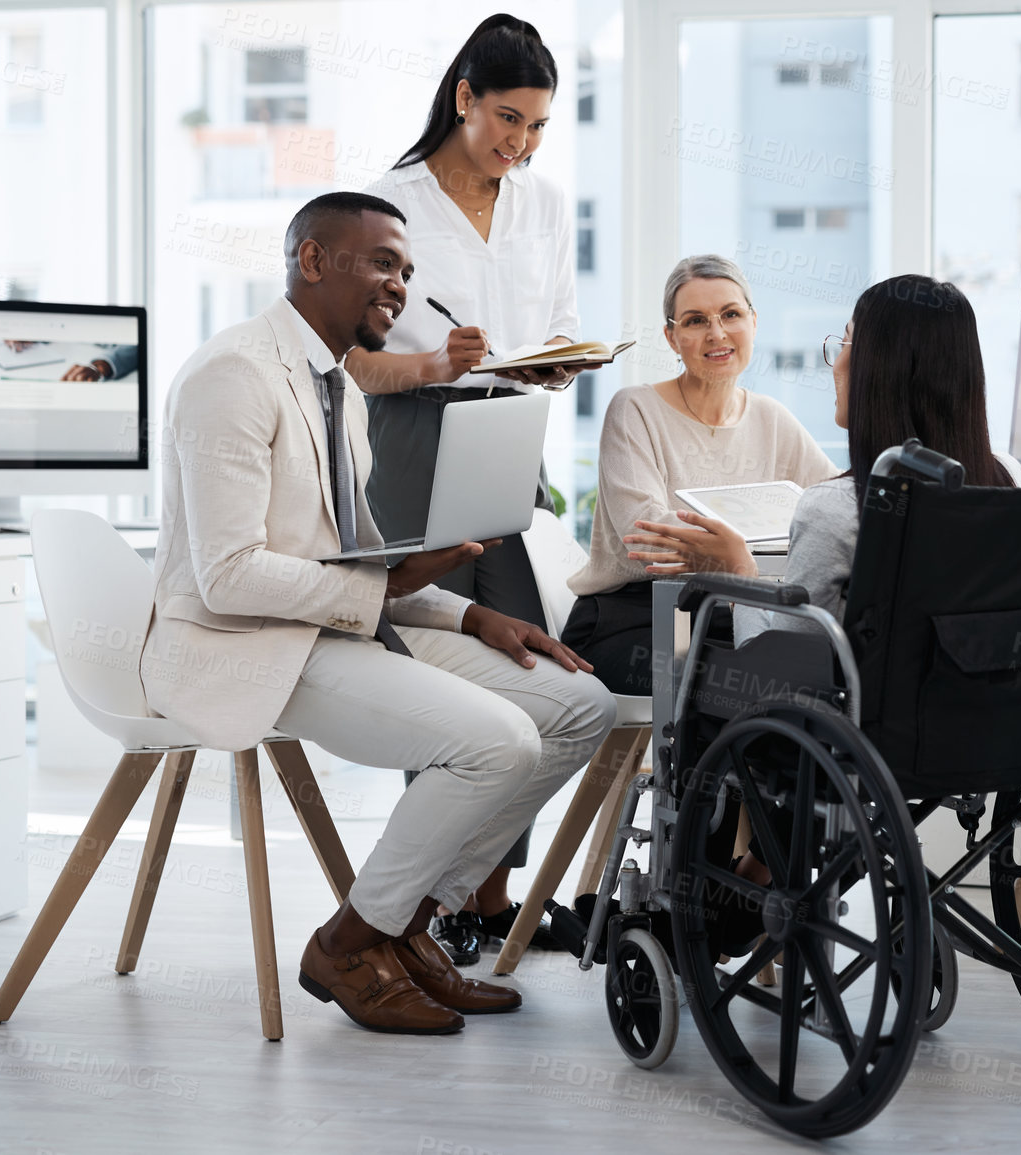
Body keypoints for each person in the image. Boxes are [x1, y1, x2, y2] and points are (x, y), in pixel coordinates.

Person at [140, 190, 616, 1035]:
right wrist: (388, 592)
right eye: (382, 264)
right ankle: (350, 942)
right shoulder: (234, 375)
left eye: (406, 269)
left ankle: (405, 924)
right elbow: (227, 576)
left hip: (329, 627)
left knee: (582, 705)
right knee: (495, 740)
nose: (398, 287)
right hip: (248, 643)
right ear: (312, 259)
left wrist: (471, 618)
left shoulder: (340, 389)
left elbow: (347, 557)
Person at [349, 15, 579, 962]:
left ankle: (486, 897)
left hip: (506, 432)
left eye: (536, 128)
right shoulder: (383, 205)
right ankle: (415, 911)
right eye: (507, 121)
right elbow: (352, 361)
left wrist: (559, 363)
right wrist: (435, 363)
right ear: (463, 99)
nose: (519, 145)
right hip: (411, 432)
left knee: (527, 660)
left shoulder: (544, 204)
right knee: (432, 671)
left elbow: (558, 318)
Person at [627, 272, 1021, 633]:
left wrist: (741, 571)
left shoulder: (832, 508)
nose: (835, 363)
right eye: (696, 320)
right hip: (986, 710)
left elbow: (779, 668)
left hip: (854, 711)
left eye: (847, 342)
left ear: (877, 370)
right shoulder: (1008, 479)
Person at [562, 254, 839, 695]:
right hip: (633, 620)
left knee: (815, 668)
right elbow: (648, 540)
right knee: (756, 682)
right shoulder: (634, 409)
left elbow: (833, 505)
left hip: (732, 612)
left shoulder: (771, 418)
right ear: (672, 338)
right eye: (695, 321)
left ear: (753, 320)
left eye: (731, 314)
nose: (717, 333)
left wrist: (734, 556)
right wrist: (740, 554)